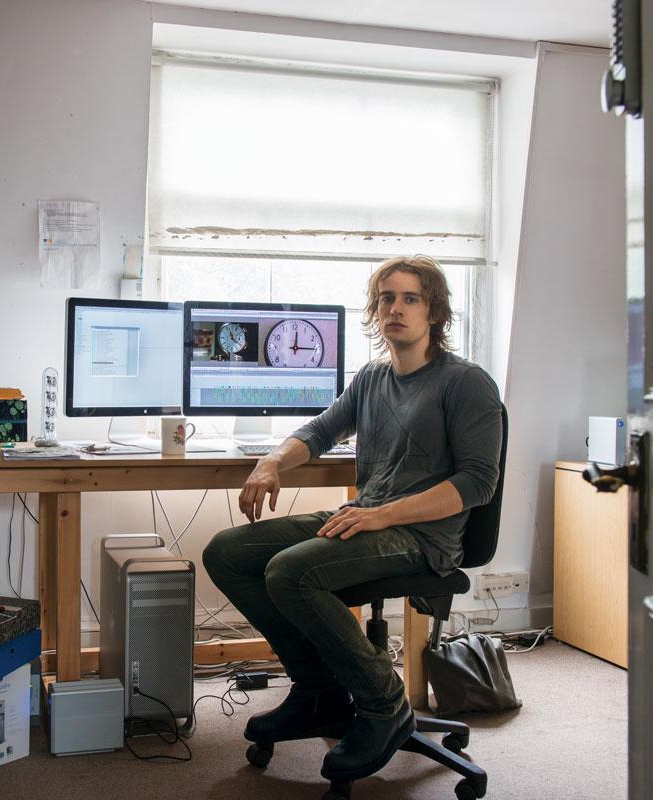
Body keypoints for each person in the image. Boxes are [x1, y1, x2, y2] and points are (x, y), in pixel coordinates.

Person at [202, 255, 502, 779]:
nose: (396, 308)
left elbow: (477, 482)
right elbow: (319, 433)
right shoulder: (372, 378)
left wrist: (383, 515)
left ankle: (385, 703)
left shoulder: (466, 382)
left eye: (411, 298)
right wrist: (271, 462)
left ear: (434, 311)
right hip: (368, 517)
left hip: (422, 535)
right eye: (387, 298)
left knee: (291, 571)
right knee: (227, 552)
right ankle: (318, 690)